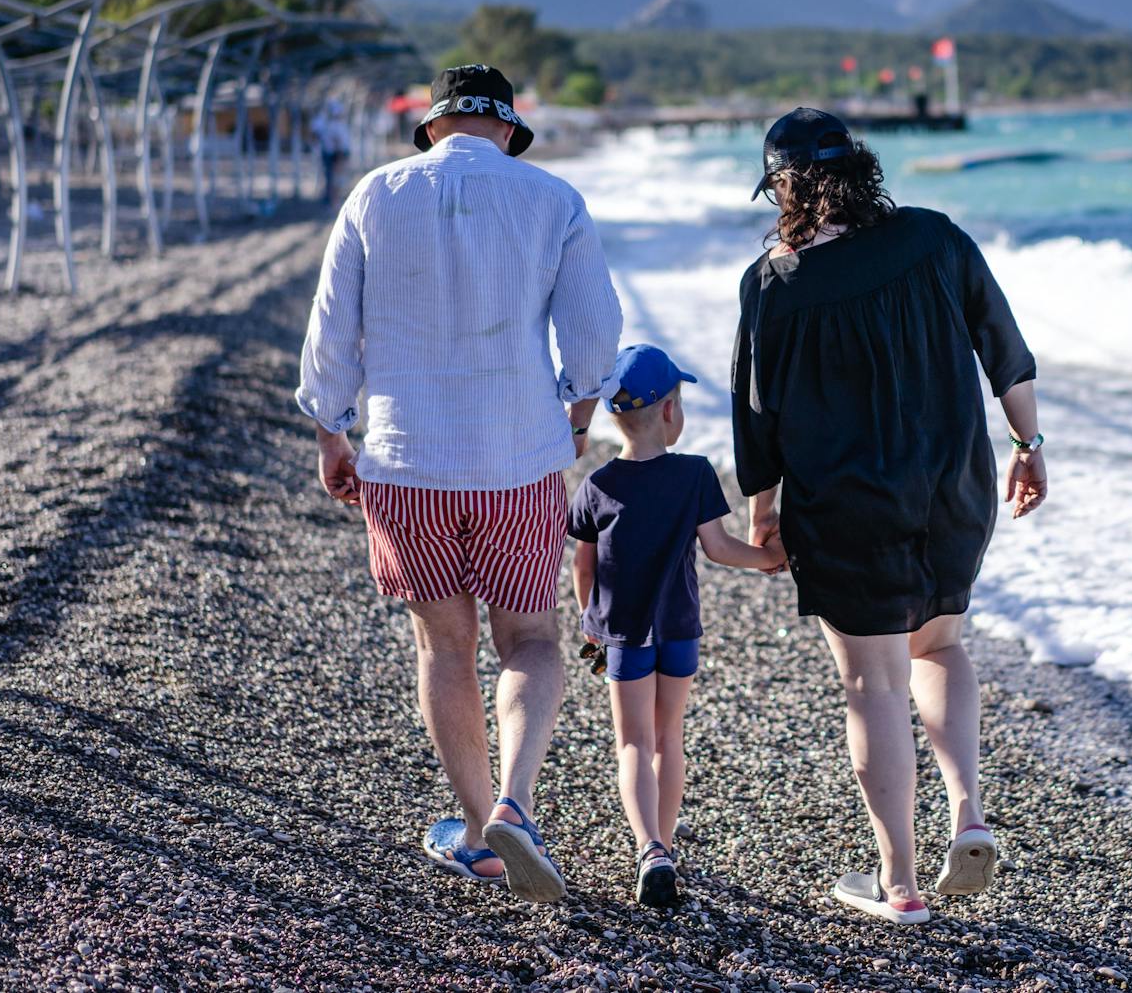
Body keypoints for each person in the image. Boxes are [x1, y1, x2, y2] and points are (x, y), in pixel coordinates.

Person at [295, 64, 622, 900]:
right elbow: (593, 338)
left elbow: (330, 332)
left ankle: (478, 833)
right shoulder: (552, 199)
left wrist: (333, 432)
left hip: (405, 461)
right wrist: (577, 422)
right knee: (533, 642)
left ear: (432, 127)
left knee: (445, 645)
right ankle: (517, 800)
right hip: (517, 461)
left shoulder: (374, 194)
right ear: (508, 128)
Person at [732, 107, 1048, 925]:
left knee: (872, 679)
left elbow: (757, 414)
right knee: (940, 643)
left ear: (783, 186)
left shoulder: (772, 281)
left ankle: (900, 881)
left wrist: (762, 510)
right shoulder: (937, 237)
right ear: (862, 167)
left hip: (842, 505)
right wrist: (1029, 442)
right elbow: (1002, 347)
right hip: (952, 487)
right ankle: (969, 812)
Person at [567, 344, 785, 907]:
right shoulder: (694, 474)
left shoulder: (598, 485)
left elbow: (582, 563)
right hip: (680, 629)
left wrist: (590, 620)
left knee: (633, 741)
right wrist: (772, 559)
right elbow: (719, 549)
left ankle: (650, 848)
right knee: (669, 738)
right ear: (669, 411)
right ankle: (663, 841)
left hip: (623, 632)